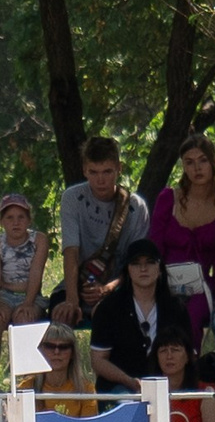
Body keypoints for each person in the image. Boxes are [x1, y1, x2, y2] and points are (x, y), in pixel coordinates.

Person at [53, 137, 150, 324]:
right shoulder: (72, 198)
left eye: (107, 172)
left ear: (119, 169)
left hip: (119, 286)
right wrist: (72, 300)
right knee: (61, 314)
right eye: (93, 172)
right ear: (84, 170)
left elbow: (137, 261)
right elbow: (71, 251)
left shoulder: (136, 207)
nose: (100, 180)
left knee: (110, 316)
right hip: (76, 284)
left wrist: (108, 288)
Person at [148, 136, 215, 339]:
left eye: (203, 160)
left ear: (214, 161)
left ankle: (188, 359)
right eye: (189, 162)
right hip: (167, 281)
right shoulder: (168, 198)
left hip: (204, 284)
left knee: (190, 314)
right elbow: (154, 248)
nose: (197, 168)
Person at [88, 239, 187, 388]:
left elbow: (187, 355)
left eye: (150, 262)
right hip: (119, 387)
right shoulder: (108, 308)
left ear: (160, 268)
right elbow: (98, 361)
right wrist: (129, 381)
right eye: (135, 263)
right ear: (127, 270)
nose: (143, 268)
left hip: (167, 387)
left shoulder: (176, 308)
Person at [0, 194, 47, 359]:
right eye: (10, 218)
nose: (16, 222)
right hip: (4, 295)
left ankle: (26, 371)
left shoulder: (39, 240)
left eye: (21, 217)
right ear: (2, 221)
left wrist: (28, 303)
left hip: (31, 295)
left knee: (24, 318)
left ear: (29, 220)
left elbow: (36, 273)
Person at [152, 326, 215, 422]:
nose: (169, 356)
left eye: (175, 350)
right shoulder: (148, 395)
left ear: (188, 356)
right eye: (163, 351)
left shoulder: (205, 394)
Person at [23, 322, 98, 417]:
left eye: (63, 347)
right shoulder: (26, 388)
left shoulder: (86, 390)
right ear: (41, 351)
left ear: (73, 353)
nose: (56, 352)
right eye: (50, 346)